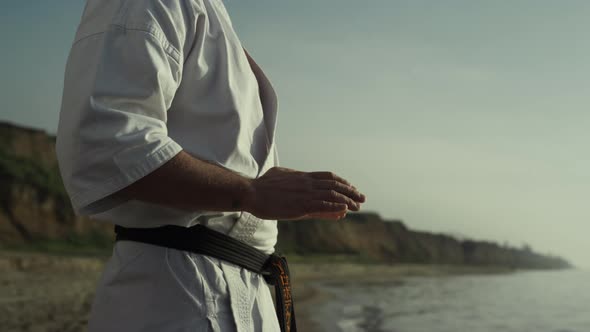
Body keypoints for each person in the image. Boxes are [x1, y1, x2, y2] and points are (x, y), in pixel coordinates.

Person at [56, 0, 366, 331]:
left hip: (240, 288)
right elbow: (109, 142)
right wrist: (249, 191)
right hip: (178, 294)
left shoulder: (209, 12)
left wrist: (258, 182)